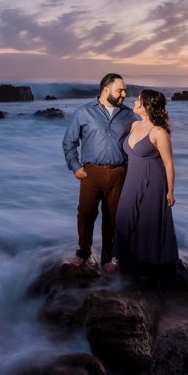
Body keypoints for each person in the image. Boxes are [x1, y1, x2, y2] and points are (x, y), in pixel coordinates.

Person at [62, 73, 136, 272]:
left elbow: (141, 142)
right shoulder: (84, 112)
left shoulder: (129, 115)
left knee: (112, 218)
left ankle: (108, 257)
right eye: (120, 90)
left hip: (120, 173)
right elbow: (69, 142)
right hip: (91, 174)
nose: (124, 95)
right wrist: (76, 167)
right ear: (106, 89)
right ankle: (83, 252)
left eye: (125, 91)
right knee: (85, 214)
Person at [115, 89, 179, 285]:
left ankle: (146, 266)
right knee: (123, 216)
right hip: (132, 178)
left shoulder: (158, 132)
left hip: (153, 180)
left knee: (147, 222)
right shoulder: (133, 124)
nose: (135, 101)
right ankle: (126, 260)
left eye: (139, 100)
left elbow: (169, 163)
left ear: (147, 106)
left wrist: (170, 191)